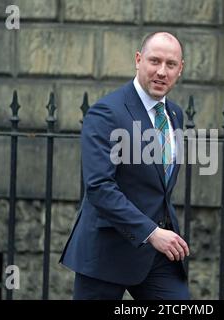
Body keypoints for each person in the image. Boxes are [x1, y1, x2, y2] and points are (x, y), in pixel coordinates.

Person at [60, 31, 191, 300]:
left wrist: (159, 232)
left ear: (180, 69)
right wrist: (151, 232)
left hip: (156, 256)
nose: (161, 72)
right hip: (106, 252)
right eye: (154, 61)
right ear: (138, 60)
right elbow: (99, 187)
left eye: (170, 64)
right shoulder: (106, 112)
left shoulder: (175, 114)